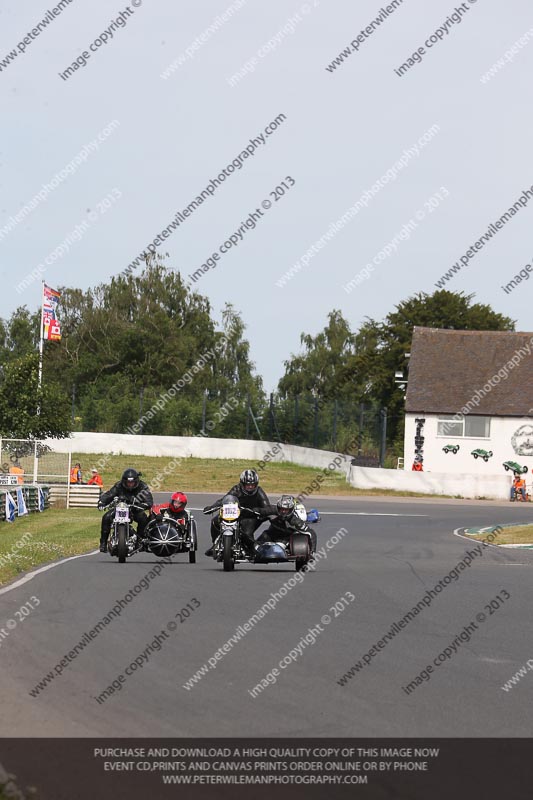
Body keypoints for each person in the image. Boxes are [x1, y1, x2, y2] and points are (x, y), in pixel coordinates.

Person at [203, 469, 270, 556]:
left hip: (252, 516)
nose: (250, 487)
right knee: (215, 521)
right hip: (236, 514)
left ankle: (251, 548)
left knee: (247, 533)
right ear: (242, 484)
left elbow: (267, 507)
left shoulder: (259, 492)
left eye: (252, 485)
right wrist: (212, 507)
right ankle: (215, 545)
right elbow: (225, 499)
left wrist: (258, 511)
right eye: (247, 485)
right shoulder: (236, 489)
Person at [97, 468, 153, 552]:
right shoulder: (119, 485)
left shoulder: (142, 486)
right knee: (106, 517)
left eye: (132, 482)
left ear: (136, 481)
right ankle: (103, 543)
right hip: (121, 507)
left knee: (143, 519)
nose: (130, 484)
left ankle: (140, 541)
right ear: (124, 481)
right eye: (128, 482)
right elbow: (110, 494)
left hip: (135, 509)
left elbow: (149, 501)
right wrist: (102, 502)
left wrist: (142, 505)